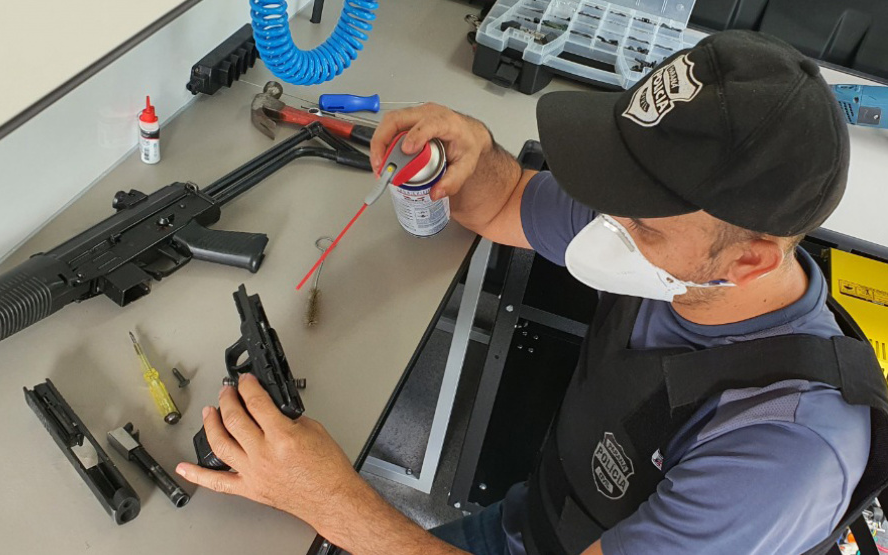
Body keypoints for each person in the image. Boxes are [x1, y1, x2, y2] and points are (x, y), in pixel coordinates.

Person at [175, 30, 888, 555]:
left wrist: (327, 497)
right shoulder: (668, 236)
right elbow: (506, 199)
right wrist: (472, 154)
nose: (599, 217)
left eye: (634, 216)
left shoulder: (781, 455)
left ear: (751, 261)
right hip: (534, 522)